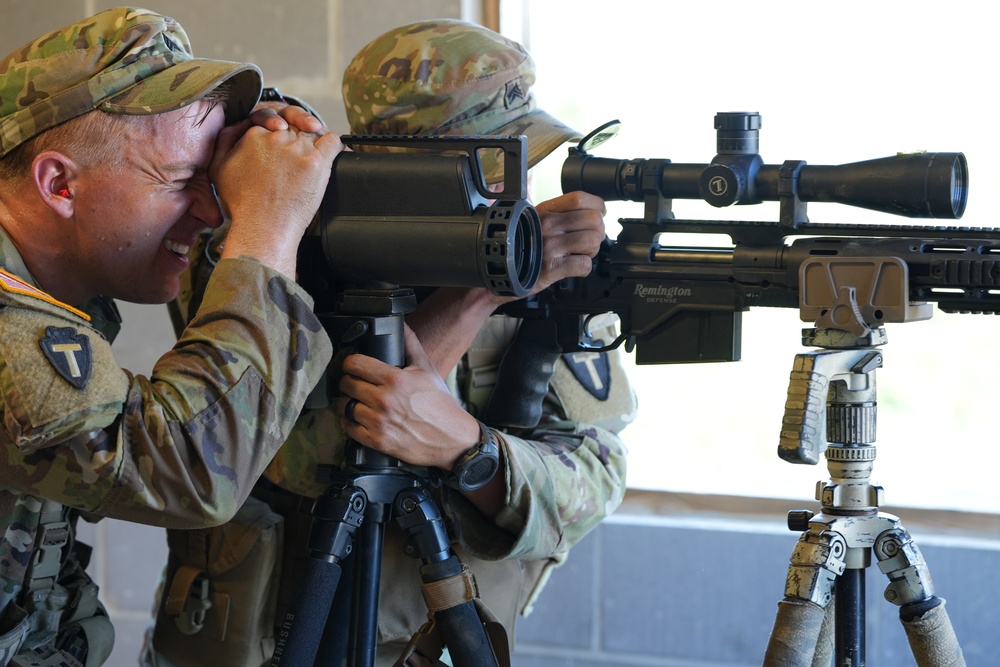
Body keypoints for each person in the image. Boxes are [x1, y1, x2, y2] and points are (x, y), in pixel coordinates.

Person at [148, 18, 636, 667]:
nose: (513, 193)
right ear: (402, 167)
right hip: (276, 635)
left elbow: (597, 477)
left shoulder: (540, 266)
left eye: (522, 163)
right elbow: (295, 454)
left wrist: (472, 449)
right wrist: (479, 295)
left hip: (436, 640)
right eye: (492, 166)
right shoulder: (274, 247)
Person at [0, 7, 343, 666]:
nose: (213, 211)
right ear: (59, 183)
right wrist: (269, 230)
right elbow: (192, 468)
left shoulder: (54, 279)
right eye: (184, 181)